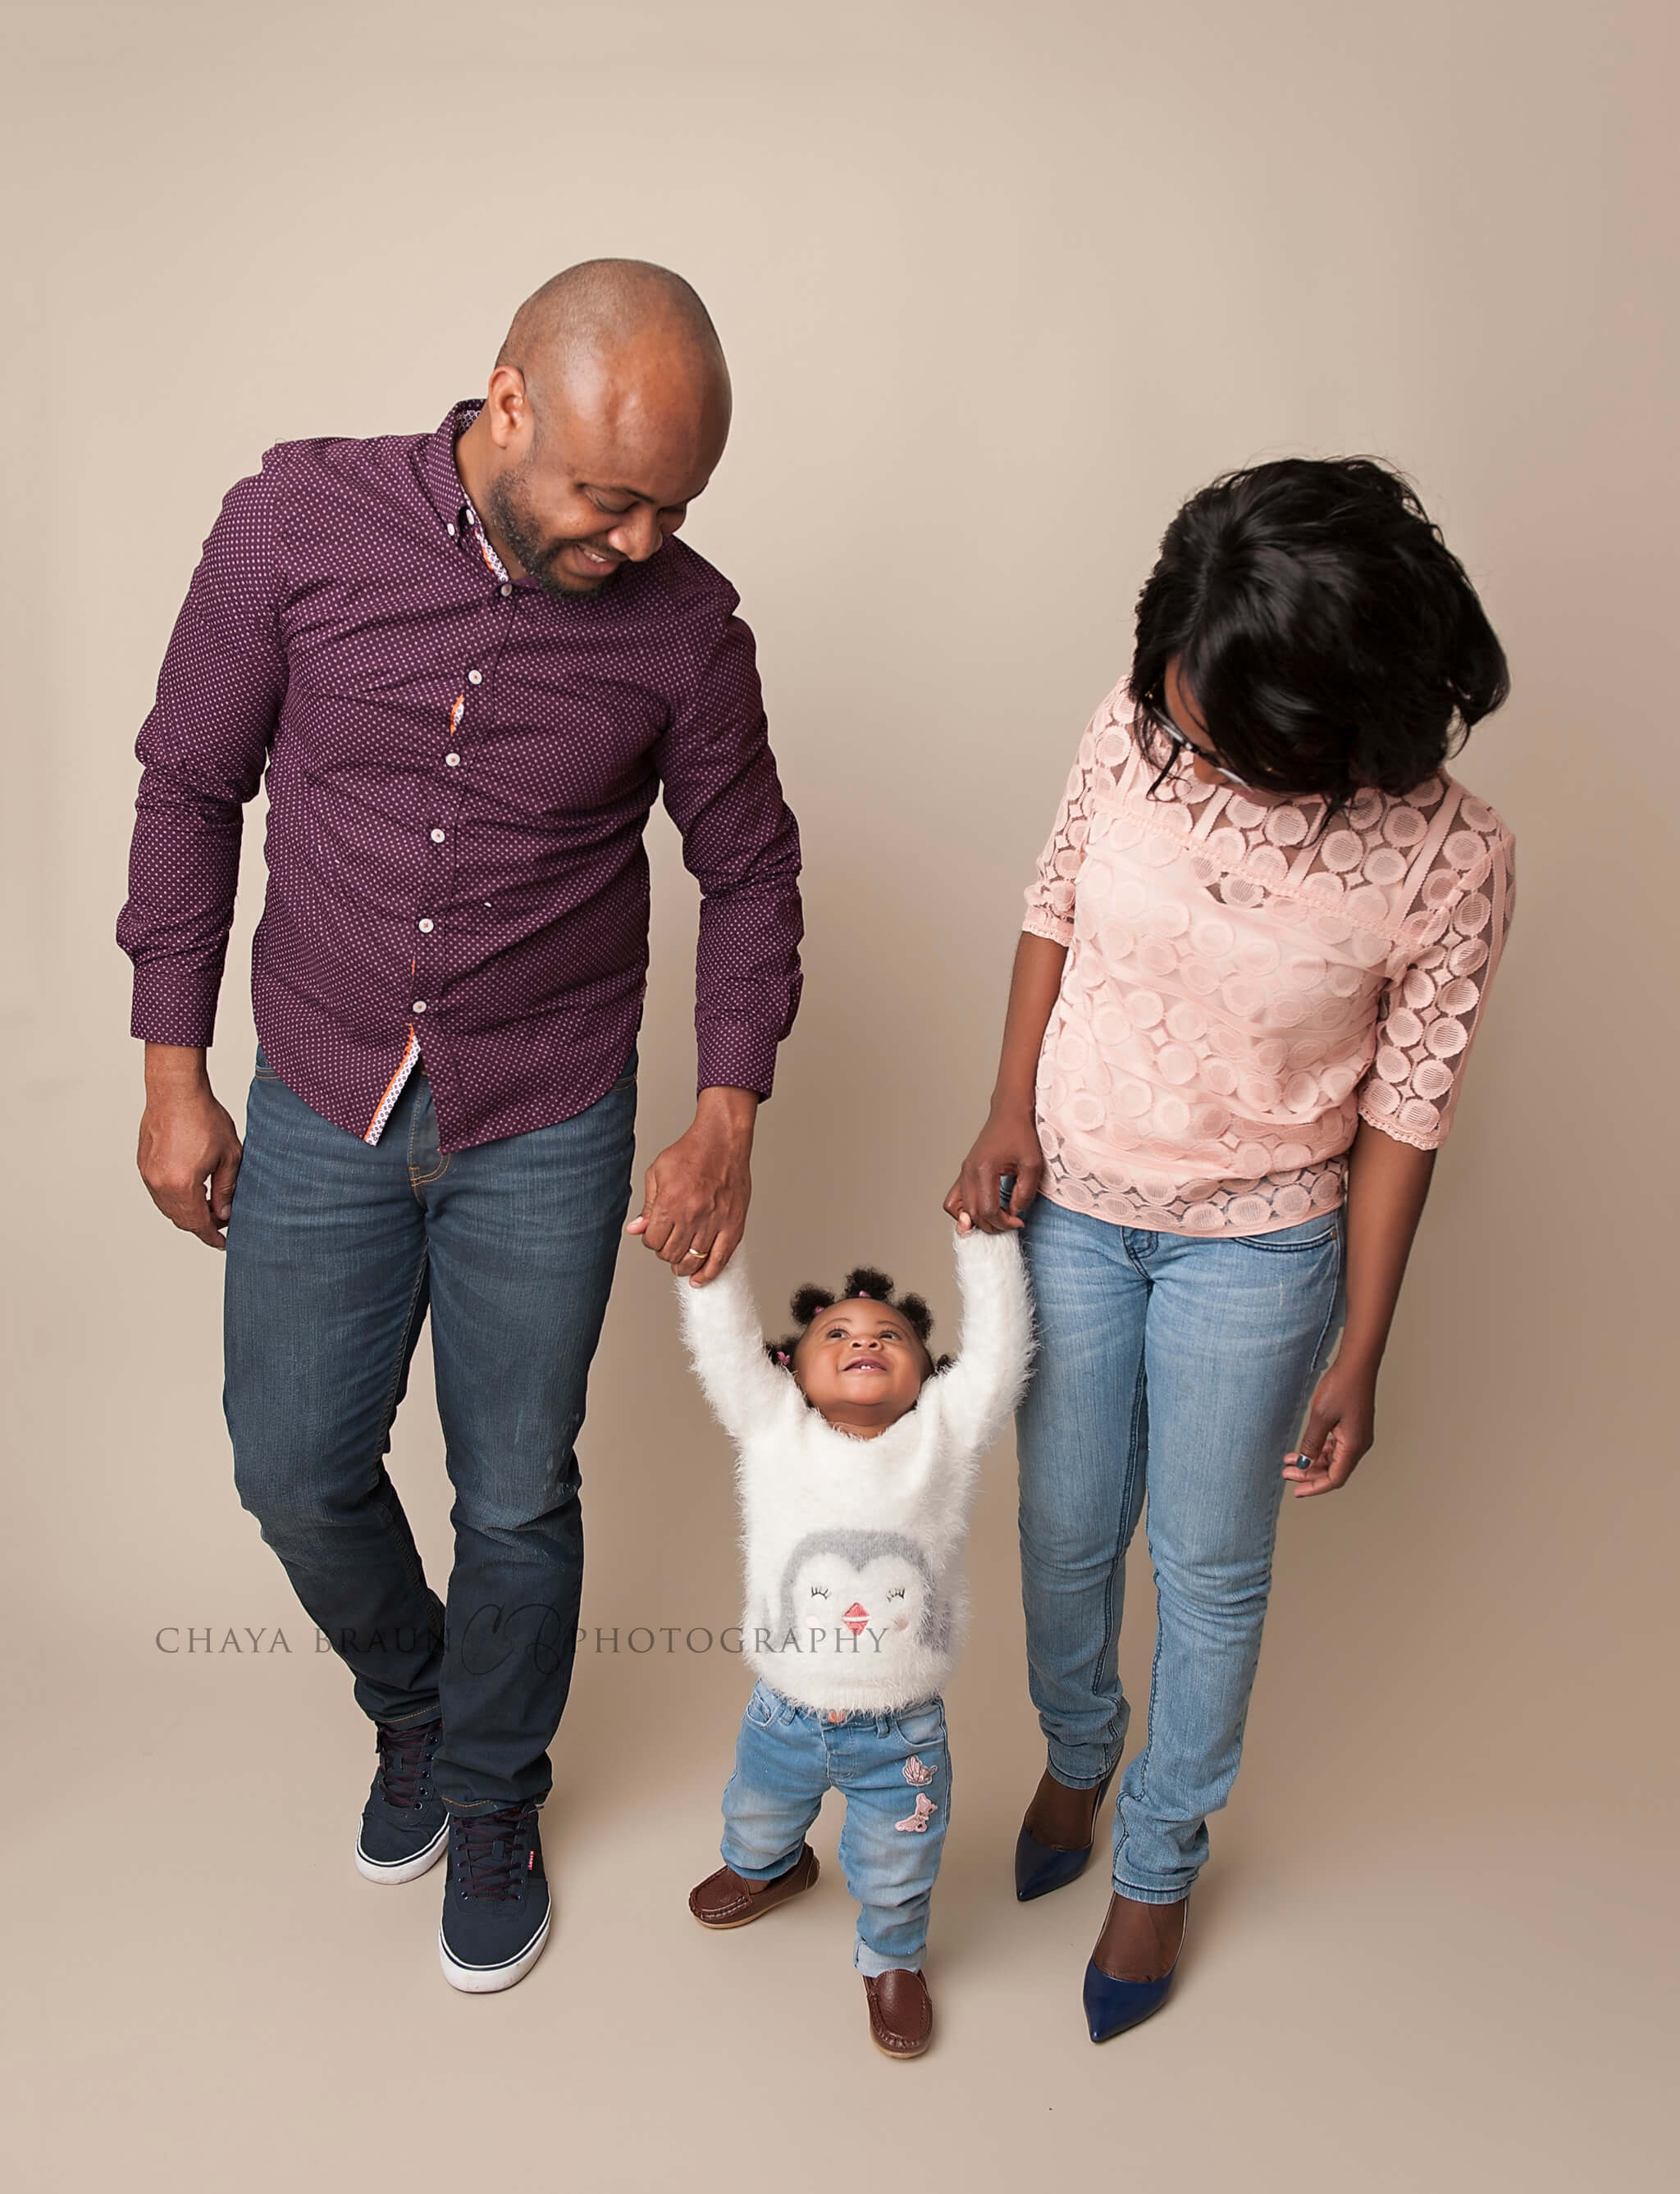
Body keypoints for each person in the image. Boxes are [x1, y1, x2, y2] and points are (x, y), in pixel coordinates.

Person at [117, 259, 804, 1994]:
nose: (642, 538)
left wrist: (725, 1113)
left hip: (548, 1106)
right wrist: (170, 1068)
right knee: (291, 1463)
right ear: (507, 402)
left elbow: (751, 872)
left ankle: (493, 1788)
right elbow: (192, 786)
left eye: (675, 505)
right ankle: (416, 1701)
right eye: (610, 493)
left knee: (514, 1491)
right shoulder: (294, 524)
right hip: (324, 1082)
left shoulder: (686, 629)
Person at [946, 458, 1514, 2041]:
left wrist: (1361, 1342)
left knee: (1206, 1571)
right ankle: (1076, 1746)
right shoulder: (1136, 713)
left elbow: (1408, 1104)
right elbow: (1054, 897)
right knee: (1061, 1529)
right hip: (1068, 1206)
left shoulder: (1447, 858)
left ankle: (1157, 1853)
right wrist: (1007, 1109)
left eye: (1217, 726)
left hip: (1256, 1251)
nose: (1177, 741)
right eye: (1174, 703)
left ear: (1330, 718)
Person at [673, 1228, 1033, 2058]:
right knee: (756, 1814)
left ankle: (893, 1958)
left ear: (923, 1370)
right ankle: (769, 1867)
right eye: (834, 1334)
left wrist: (985, 1246)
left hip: (899, 1738)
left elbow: (1000, 1354)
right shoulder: (772, 1429)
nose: (863, 1341)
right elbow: (723, 1350)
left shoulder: (943, 1432)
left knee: (897, 1863)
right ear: (789, 1368)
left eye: (888, 1336)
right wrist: (706, 1263)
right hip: (781, 1715)